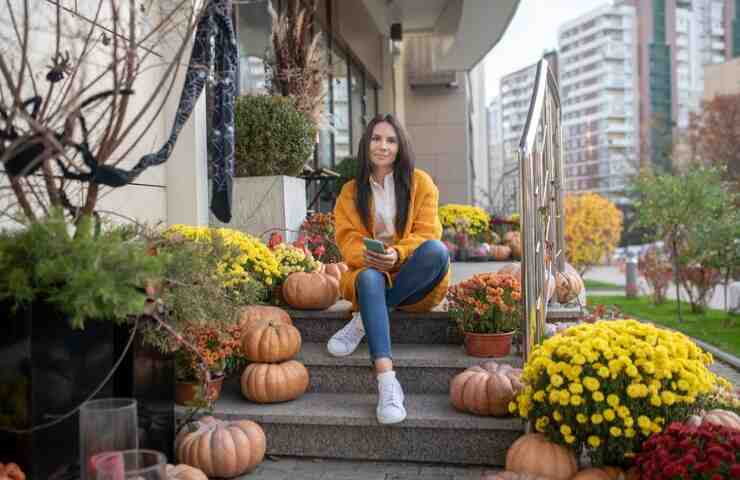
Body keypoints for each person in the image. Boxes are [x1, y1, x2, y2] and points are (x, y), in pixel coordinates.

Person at [328, 113, 450, 424]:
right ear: (366, 145)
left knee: (437, 251)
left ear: (400, 146)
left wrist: (397, 255)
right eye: (376, 139)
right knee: (369, 278)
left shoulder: (421, 183)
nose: (383, 146)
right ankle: (387, 382)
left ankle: (362, 322)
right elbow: (347, 238)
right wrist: (371, 258)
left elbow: (427, 233)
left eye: (391, 140)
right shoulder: (350, 192)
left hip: (413, 276)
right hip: (372, 274)